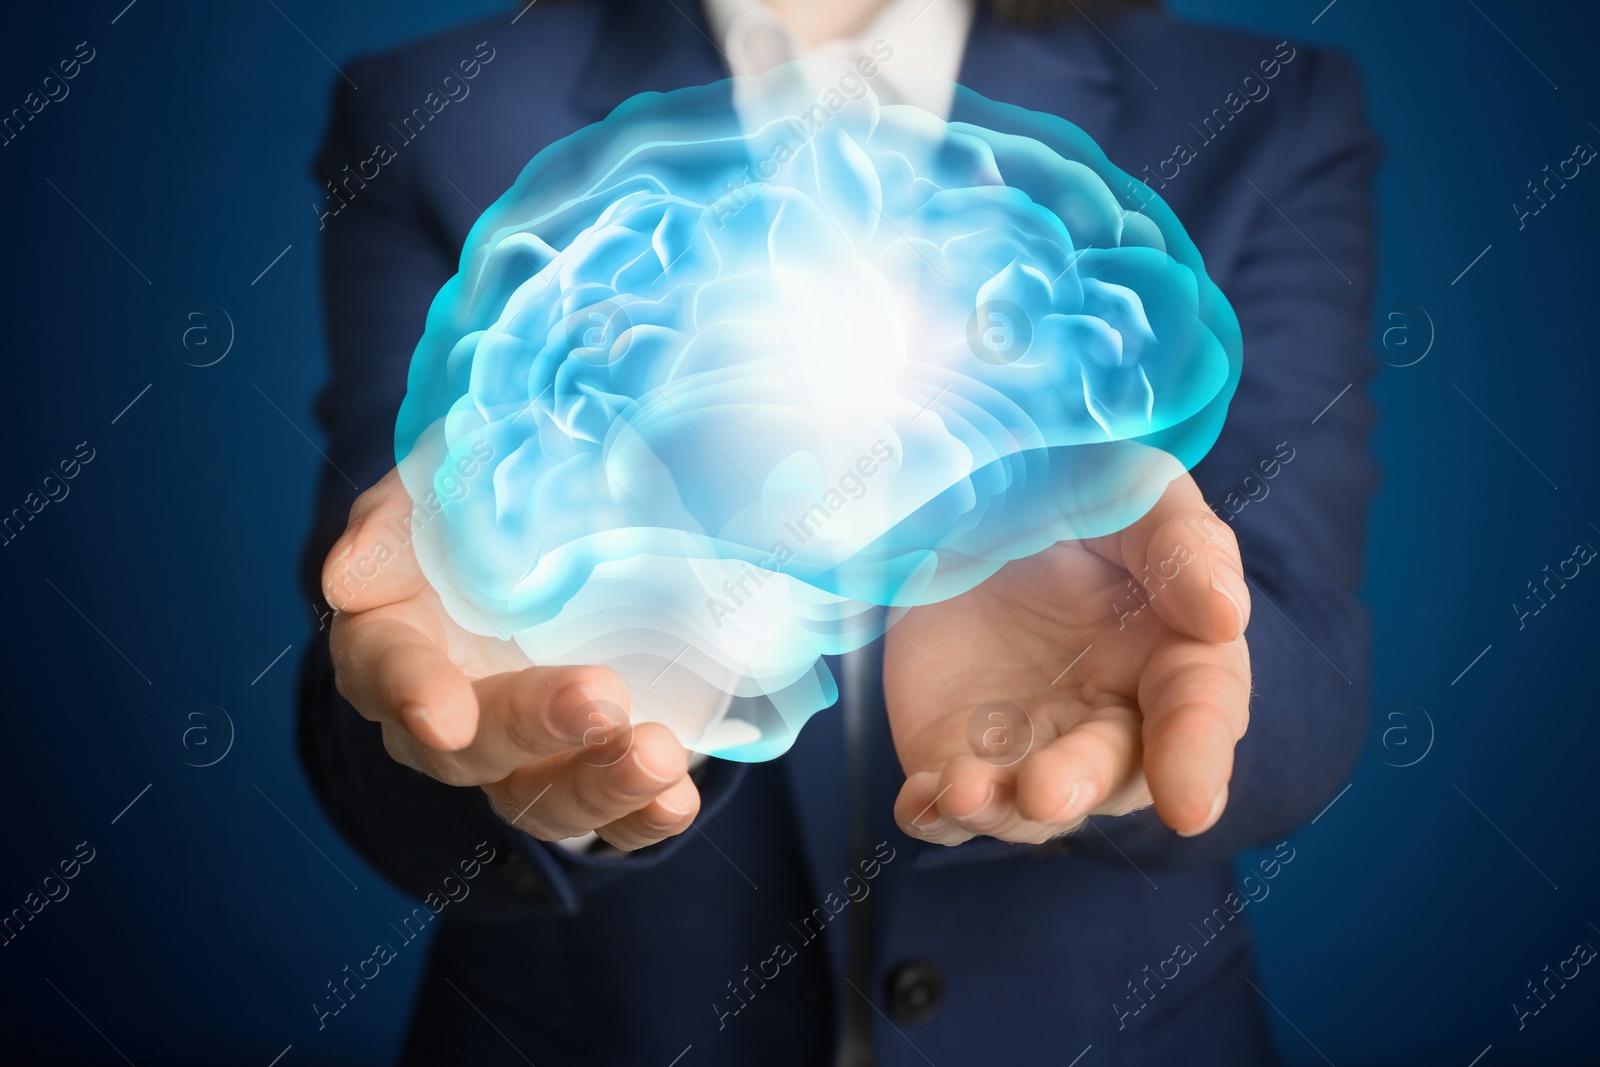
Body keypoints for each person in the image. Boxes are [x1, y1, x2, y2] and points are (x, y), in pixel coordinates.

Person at [297, 0, 1377, 1062]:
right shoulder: (438, 109)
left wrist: (1184, 662)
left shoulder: (1257, 105)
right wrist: (529, 714)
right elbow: (376, 686)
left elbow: (1306, 659)